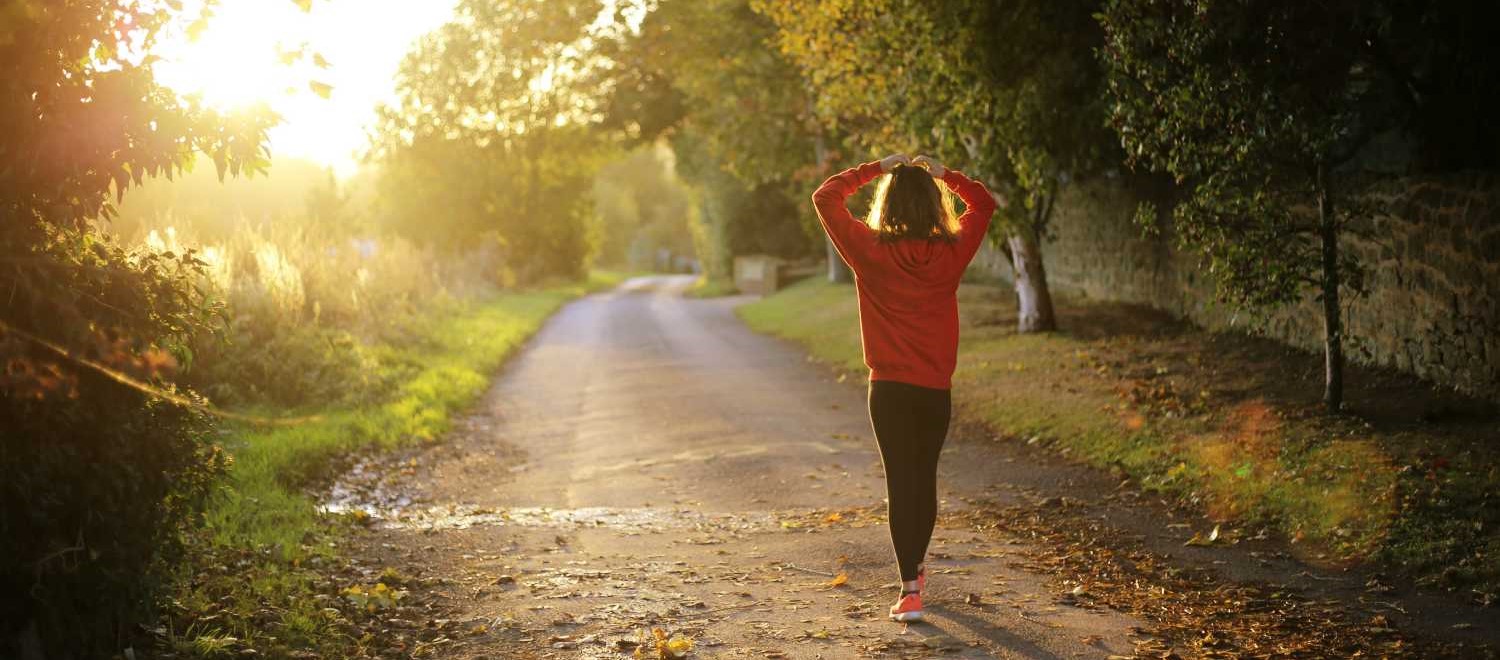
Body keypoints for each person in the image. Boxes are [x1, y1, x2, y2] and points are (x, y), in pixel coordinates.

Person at [811, 153, 996, 623]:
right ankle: (915, 570)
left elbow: (825, 197)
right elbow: (984, 203)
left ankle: (910, 589)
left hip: (888, 389)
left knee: (900, 481)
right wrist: (945, 174)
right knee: (924, 478)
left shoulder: (869, 250)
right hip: (934, 389)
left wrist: (876, 167)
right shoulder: (952, 252)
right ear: (935, 205)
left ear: (887, 204)